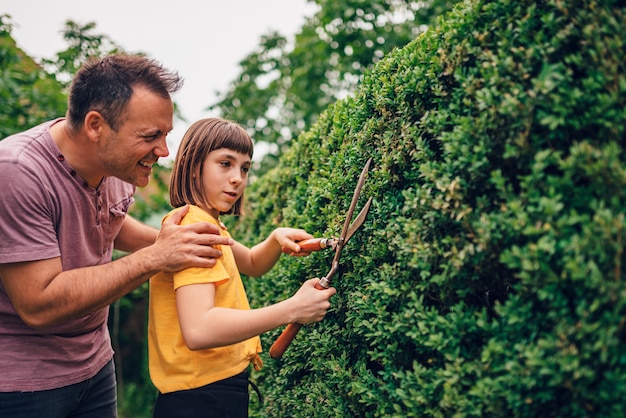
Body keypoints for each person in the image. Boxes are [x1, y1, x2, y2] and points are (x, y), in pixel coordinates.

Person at [0, 54, 232, 417]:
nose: (164, 151)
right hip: (25, 388)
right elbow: (39, 304)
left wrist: (179, 241)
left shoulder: (111, 166)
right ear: (96, 126)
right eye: (151, 136)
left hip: (95, 368)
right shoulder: (18, 173)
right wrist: (157, 256)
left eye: (166, 134)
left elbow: (109, 221)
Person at [148, 117, 336, 418]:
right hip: (200, 399)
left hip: (209, 390)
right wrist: (292, 309)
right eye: (225, 163)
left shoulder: (208, 225)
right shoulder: (195, 229)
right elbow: (199, 329)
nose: (238, 178)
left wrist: (275, 240)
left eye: (245, 168)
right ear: (193, 166)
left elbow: (249, 262)